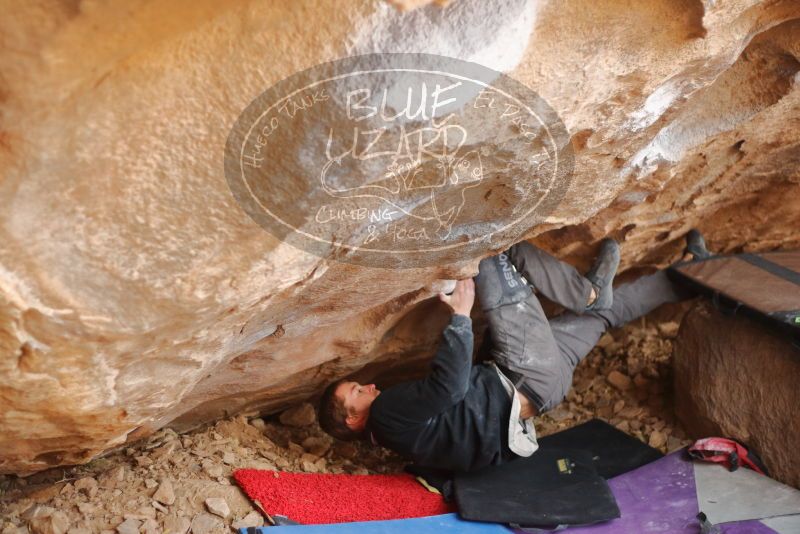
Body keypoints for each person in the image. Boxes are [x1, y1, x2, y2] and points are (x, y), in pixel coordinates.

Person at [318, 231, 710, 473]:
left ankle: (689, 275)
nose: (369, 386)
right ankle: (584, 292)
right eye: (356, 391)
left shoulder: (403, 441)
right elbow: (450, 389)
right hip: (524, 369)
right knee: (492, 249)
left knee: (606, 316)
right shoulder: (386, 416)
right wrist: (459, 317)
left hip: (545, 390)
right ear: (353, 421)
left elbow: (462, 418)